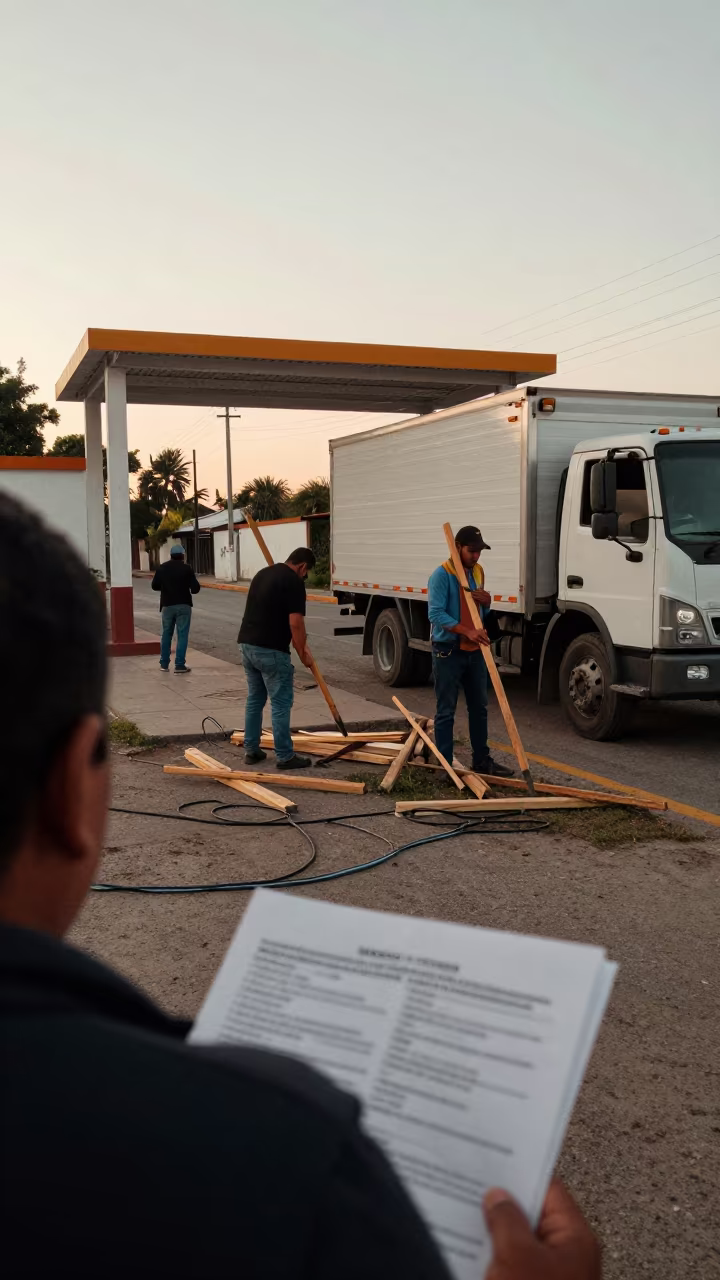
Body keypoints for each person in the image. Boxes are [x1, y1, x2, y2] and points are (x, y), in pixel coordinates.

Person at [0, 493, 601, 1280]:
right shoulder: (277, 1154)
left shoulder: (302, 577)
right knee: (281, 701)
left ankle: (266, 748)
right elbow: (300, 632)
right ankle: (277, 755)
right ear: (70, 794)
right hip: (307, 653)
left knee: (262, 704)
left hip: (277, 649)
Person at [428, 525, 514, 778]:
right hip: (448, 649)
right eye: (471, 551)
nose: (476, 556)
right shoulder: (441, 575)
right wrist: (466, 631)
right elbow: (435, 613)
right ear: (457, 548)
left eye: (479, 551)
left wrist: (487, 604)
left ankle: (481, 759)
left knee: (479, 708)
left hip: (475, 650)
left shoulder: (478, 572)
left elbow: (481, 613)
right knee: (446, 710)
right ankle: (445, 765)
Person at [238, 547, 316, 770]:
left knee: (255, 699)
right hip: (271, 650)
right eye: (306, 572)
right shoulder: (294, 582)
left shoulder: (263, 573)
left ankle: (251, 750)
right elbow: (296, 623)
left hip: (247, 645)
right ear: (302, 566)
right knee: (281, 702)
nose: (305, 576)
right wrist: (303, 654)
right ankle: (284, 755)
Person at [151, 542, 201, 673]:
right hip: (184, 605)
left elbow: (154, 586)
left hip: (167, 605)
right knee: (182, 635)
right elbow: (195, 589)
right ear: (182, 556)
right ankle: (179, 665)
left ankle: (164, 664)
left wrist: (166, 587)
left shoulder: (162, 568)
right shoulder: (187, 569)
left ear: (171, 555)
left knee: (166, 634)